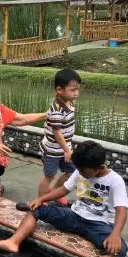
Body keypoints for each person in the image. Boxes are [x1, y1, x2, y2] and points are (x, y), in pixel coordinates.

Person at [0, 141, 128, 257]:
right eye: (79, 170)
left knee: (118, 250)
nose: (80, 173)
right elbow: (63, 190)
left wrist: (115, 234)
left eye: (83, 171)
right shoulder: (81, 171)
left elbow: (121, 210)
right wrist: (40, 199)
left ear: (99, 167)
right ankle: (13, 242)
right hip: (75, 215)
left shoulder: (115, 181)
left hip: (99, 224)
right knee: (38, 210)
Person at [38, 68, 82, 205]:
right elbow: (57, 133)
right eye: (73, 90)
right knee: (49, 175)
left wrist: (67, 149)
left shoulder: (69, 102)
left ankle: (55, 193)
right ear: (59, 90)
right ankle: (40, 200)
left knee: (72, 172)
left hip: (64, 148)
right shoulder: (57, 110)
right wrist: (67, 150)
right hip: (53, 150)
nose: (76, 93)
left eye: (77, 89)